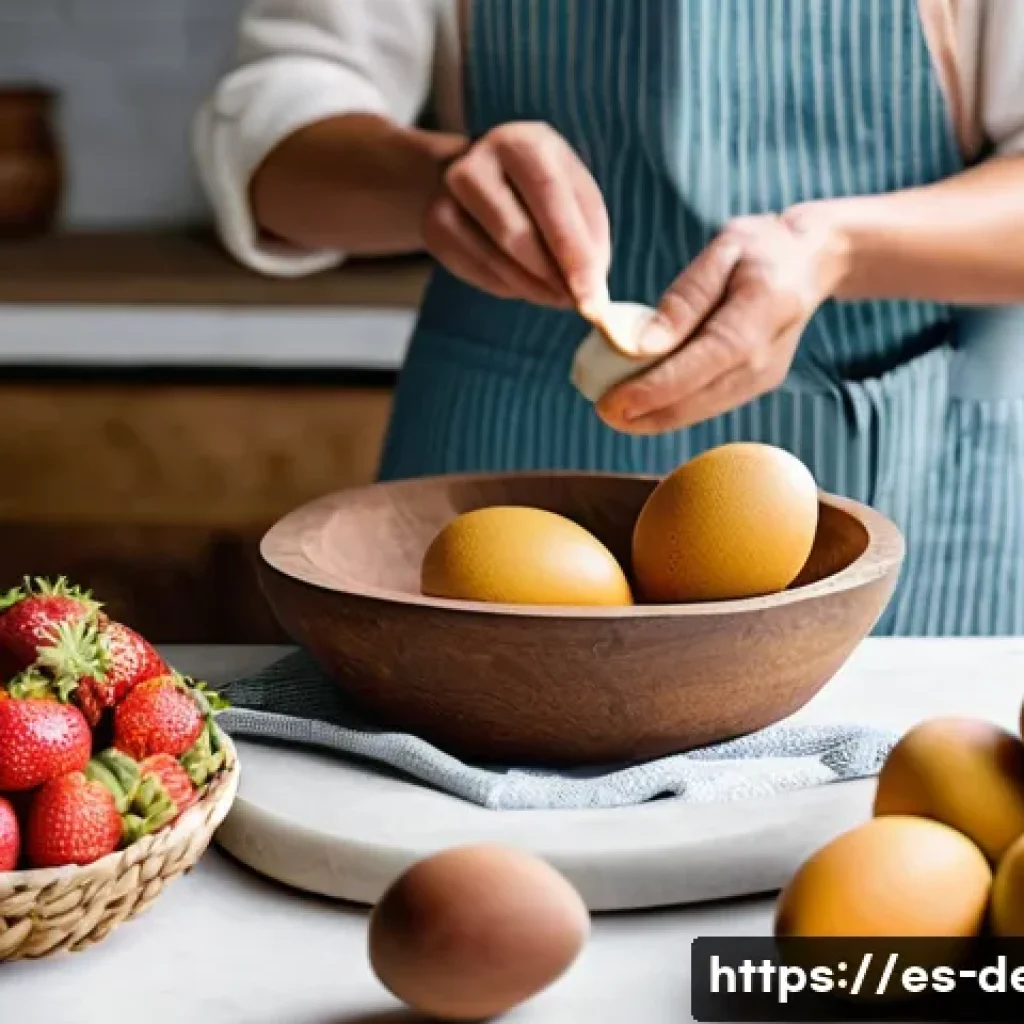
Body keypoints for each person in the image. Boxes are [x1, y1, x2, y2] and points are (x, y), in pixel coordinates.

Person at [194, 0, 1024, 637]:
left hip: (905, 457)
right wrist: (434, 184)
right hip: (507, 438)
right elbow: (273, 127)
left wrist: (835, 248)